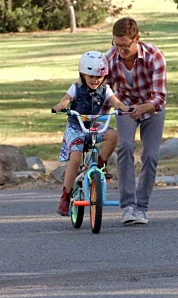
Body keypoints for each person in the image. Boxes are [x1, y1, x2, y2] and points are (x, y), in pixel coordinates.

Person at [105, 17, 167, 225]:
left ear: (136, 39)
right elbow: (104, 89)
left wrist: (145, 107)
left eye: (125, 45)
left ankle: (142, 207)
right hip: (126, 108)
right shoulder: (111, 58)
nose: (120, 50)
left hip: (152, 109)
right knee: (125, 146)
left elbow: (160, 96)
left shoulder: (154, 56)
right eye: (117, 44)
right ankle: (128, 206)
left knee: (150, 156)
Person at [52, 51, 129, 216]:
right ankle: (65, 196)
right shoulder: (76, 88)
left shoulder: (105, 89)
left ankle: (100, 165)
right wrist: (61, 105)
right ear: (82, 74)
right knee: (76, 157)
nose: (95, 80)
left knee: (113, 135)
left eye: (99, 77)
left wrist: (122, 107)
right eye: (91, 76)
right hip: (76, 127)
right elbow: (66, 99)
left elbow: (115, 101)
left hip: (93, 125)